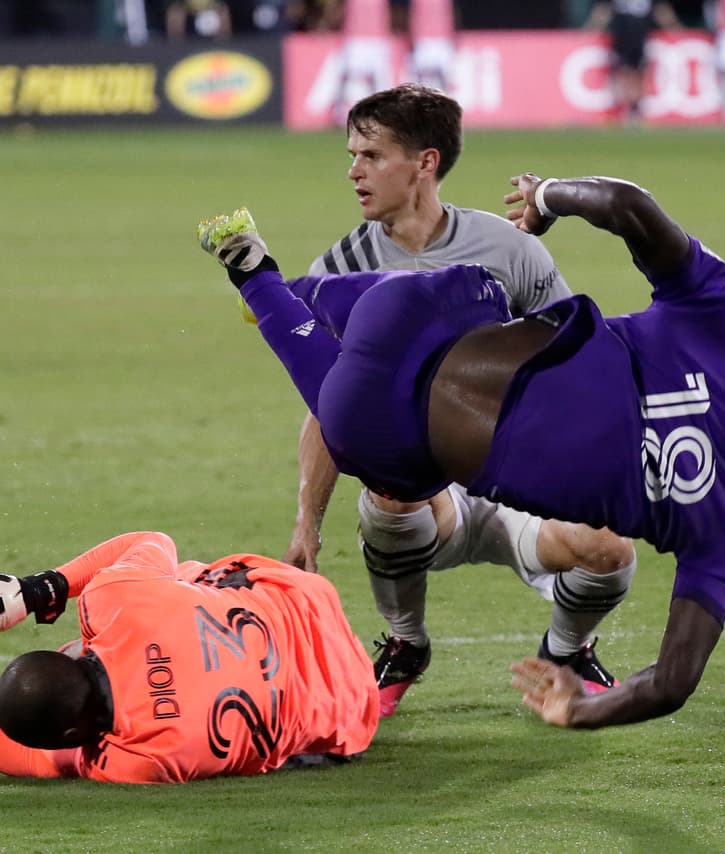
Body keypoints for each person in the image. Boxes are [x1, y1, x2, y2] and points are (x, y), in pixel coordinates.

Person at [196, 171, 725, 728]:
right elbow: (671, 682)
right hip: (407, 431)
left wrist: (547, 198)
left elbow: (629, 205)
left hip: (438, 303)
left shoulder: (723, 318)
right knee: (359, 428)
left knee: (386, 349)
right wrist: (577, 713)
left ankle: (281, 292)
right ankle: (262, 283)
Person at [284, 83, 637, 717]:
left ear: (425, 162)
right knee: (390, 494)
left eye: (370, 155)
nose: (353, 171)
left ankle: (566, 651)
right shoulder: (338, 269)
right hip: (427, 496)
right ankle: (405, 644)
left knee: (611, 551)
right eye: (351, 155)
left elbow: (570, 360)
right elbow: (331, 406)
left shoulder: (511, 250)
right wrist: (307, 518)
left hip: (512, 477)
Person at [0, 531, 379, 782]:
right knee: (181, 579)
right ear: (70, 655)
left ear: (75, 736)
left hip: (351, 708)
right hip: (303, 596)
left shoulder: (142, 760)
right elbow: (154, 540)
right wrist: (38, 591)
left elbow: (39, 761)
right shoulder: (113, 602)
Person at [587, 0, 681, 124]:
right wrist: (591, 28)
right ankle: (623, 109)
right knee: (622, 73)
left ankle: (636, 109)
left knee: (639, 73)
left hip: (641, 36)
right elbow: (603, 10)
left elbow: (661, 10)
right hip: (621, 36)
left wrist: (675, 28)